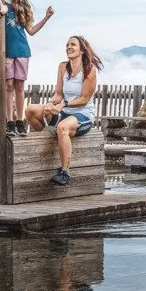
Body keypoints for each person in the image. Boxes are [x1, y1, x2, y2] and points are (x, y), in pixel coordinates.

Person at [24, 35, 104, 185]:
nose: (68, 47)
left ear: (81, 51)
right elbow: (58, 94)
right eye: (67, 45)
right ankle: (46, 137)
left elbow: (84, 99)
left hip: (83, 115)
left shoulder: (89, 70)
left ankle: (65, 172)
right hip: (64, 112)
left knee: (62, 127)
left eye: (73, 45)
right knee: (31, 110)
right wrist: (50, 104)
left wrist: (64, 105)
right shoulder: (62, 67)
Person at [0, 0, 54, 134]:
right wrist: (0, 13)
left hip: (22, 50)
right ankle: (10, 121)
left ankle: (20, 121)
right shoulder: (0, 4)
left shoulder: (24, 8)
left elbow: (31, 31)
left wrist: (46, 18)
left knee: (19, 86)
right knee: (8, 85)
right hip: (5, 51)